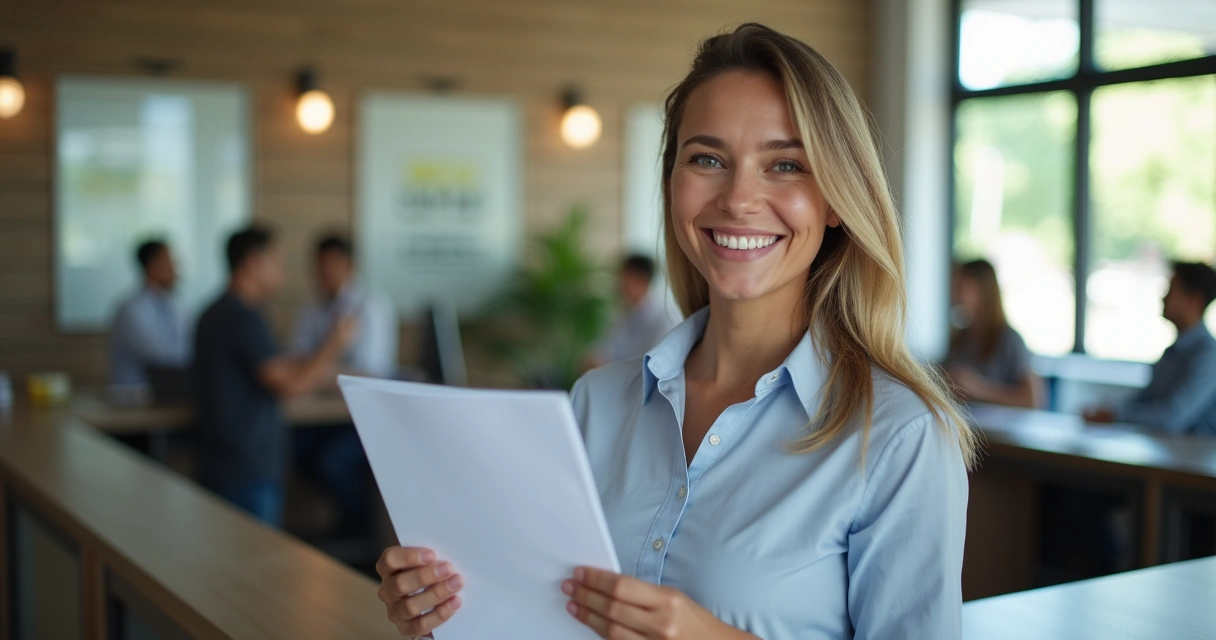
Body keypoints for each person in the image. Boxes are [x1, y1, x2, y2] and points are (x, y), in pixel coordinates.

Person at [373, 23, 978, 640]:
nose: (740, 198)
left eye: (786, 164)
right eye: (708, 159)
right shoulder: (595, 404)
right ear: (671, 185)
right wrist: (453, 610)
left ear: (835, 202)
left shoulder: (901, 438)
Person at [192, 226, 356, 526]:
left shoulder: (213, 312)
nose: (282, 272)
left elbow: (277, 366)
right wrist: (334, 344)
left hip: (222, 461)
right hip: (245, 468)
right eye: (277, 263)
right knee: (253, 567)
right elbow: (292, 385)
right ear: (253, 263)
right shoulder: (242, 317)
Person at [1085, 261, 1216, 435]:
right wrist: (1107, 409)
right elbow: (1145, 400)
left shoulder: (1209, 355)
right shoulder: (1173, 351)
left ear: (1194, 300)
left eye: (1170, 290)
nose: (1163, 298)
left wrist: (1115, 415)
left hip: (1190, 458)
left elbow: (1171, 418)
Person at [292, 234, 398, 379]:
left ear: (349, 265)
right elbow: (297, 354)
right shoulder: (312, 305)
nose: (324, 274)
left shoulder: (372, 305)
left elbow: (372, 369)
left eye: (331, 267)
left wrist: (318, 366)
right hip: (318, 393)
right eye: (321, 269)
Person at [943, 259, 1042, 409]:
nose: (954, 295)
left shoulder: (1009, 339)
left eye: (961, 287)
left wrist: (979, 389)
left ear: (982, 291)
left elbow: (1033, 400)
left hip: (998, 431)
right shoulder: (960, 338)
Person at [109, 240, 192, 385]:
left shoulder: (176, 305)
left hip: (171, 391)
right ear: (152, 267)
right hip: (134, 399)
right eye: (169, 261)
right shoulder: (132, 310)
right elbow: (162, 357)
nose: (175, 269)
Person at [587, 254, 681, 367]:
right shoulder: (624, 315)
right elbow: (604, 351)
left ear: (642, 279)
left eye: (624, 276)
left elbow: (654, 365)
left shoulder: (665, 317)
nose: (619, 283)